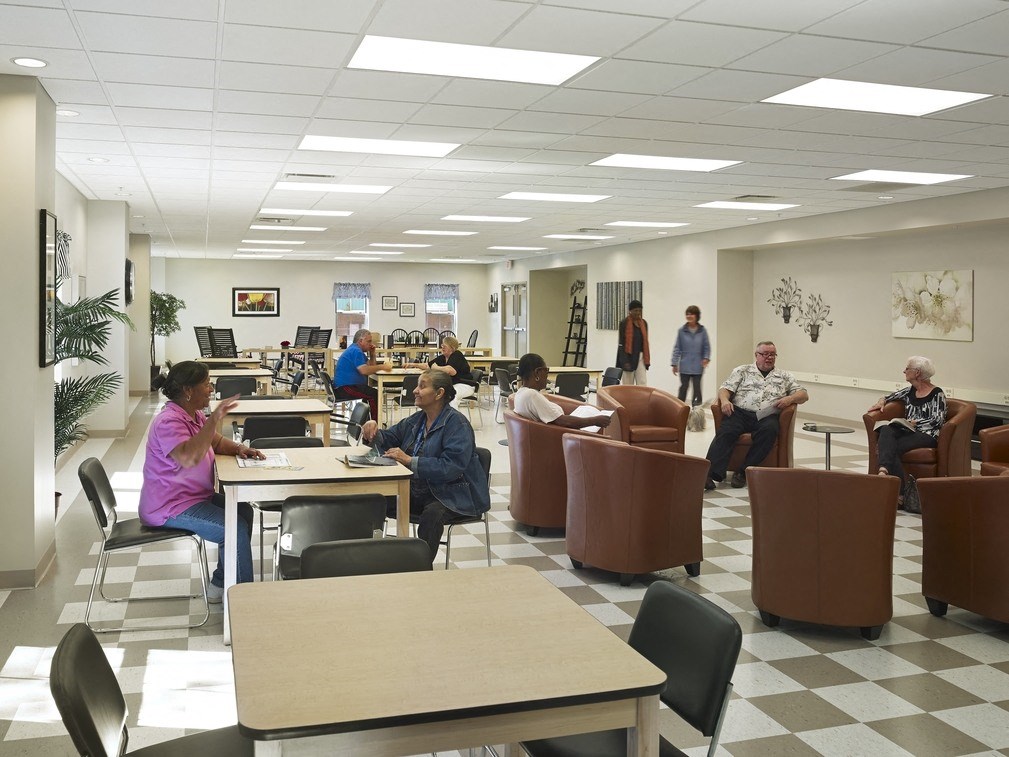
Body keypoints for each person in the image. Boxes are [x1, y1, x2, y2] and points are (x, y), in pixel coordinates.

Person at [139, 361, 265, 600]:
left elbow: (215, 442)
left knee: (243, 511)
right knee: (234, 528)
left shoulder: (192, 415)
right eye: (206, 384)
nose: (211, 389)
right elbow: (189, 456)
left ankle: (221, 584)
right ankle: (243, 599)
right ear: (188, 390)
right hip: (170, 506)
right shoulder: (168, 422)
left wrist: (239, 448)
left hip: (193, 498)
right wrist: (214, 418)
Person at [360, 370, 490, 559]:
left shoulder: (457, 424)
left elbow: (451, 467)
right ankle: (368, 558)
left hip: (452, 493)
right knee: (372, 500)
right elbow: (390, 437)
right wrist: (372, 430)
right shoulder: (418, 419)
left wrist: (409, 461)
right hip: (420, 489)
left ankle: (420, 568)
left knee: (433, 515)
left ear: (439, 393)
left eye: (422, 386)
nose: (415, 391)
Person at [704, 341, 808, 490]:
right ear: (756, 355)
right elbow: (725, 388)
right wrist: (725, 400)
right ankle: (710, 474)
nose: (769, 357)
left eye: (772, 354)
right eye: (765, 354)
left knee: (770, 431)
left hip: (767, 415)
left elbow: (804, 394)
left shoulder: (784, 376)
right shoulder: (742, 370)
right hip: (740, 412)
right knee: (726, 431)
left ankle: (743, 472)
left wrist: (789, 399)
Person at [867, 356, 946, 498]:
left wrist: (914, 423)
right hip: (908, 431)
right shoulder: (909, 391)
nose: (904, 371)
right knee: (885, 429)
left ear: (917, 373)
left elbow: (937, 420)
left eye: (907, 369)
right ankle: (885, 473)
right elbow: (888, 397)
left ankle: (897, 491)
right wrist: (881, 401)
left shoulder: (937, 394)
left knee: (892, 447)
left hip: (927, 435)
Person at [510, 353, 612, 429]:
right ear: (537, 372)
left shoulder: (521, 393)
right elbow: (563, 422)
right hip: (563, 438)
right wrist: (594, 420)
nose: (547, 375)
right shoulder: (531, 395)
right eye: (546, 371)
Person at [334, 329, 391, 419]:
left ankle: (366, 421)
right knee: (374, 394)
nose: (371, 343)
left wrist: (372, 354)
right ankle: (375, 423)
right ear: (361, 341)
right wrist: (382, 367)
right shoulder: (356, 351)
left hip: (348, 386)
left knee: (367, 393)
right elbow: (365, 371)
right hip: (346, 388)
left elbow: (370, 366)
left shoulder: (356, 350)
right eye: (369, 341)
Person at [406, 335, 476, 403]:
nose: (442, 348)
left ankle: (451, 415)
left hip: (465, 385)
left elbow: (451, 371)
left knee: (452, 396)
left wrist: (435, 367)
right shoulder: (443, 357)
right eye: (442, 346)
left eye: (445, 346)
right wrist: (412, 364)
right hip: (452, 385)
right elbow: (427, 365)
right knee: (435, 395)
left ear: (452, 347)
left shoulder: (457, 354)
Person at [671, 305, 711, 406]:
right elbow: (677, 348)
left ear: (696, 316)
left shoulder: (702, 331)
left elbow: (706, 346)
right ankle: (679, 408)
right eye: (687, 314)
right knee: (683, 388)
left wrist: (706, 358)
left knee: (697, 389)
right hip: (685, 366)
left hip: (698, 366)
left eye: (691, 314)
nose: (689, 316)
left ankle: (696, 410)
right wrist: (674, 363)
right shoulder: (681, 331)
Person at [616, 299, 650, 385]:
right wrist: (625, 361)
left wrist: (647, 360)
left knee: (642, 382)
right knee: (628, 384)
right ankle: (627, 399)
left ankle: (641, 399)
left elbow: (645, 342)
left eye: (639, 310)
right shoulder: (624, 323)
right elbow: (621, 343)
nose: (638, 312)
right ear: (630, 311)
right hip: (628, 356)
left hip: (641, 357)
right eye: (635, 310)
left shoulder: (644, 323)